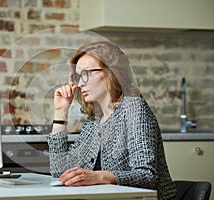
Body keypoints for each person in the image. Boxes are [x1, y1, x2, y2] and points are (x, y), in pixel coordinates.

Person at [47, 41, 177, 200]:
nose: (80, 83)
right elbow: (60, 172)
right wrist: (60, 113)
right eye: (78, 76)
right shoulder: (95, 122)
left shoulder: (133, 108)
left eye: (86, 73)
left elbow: (147, 176)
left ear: (112, 72)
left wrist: (98, 177)